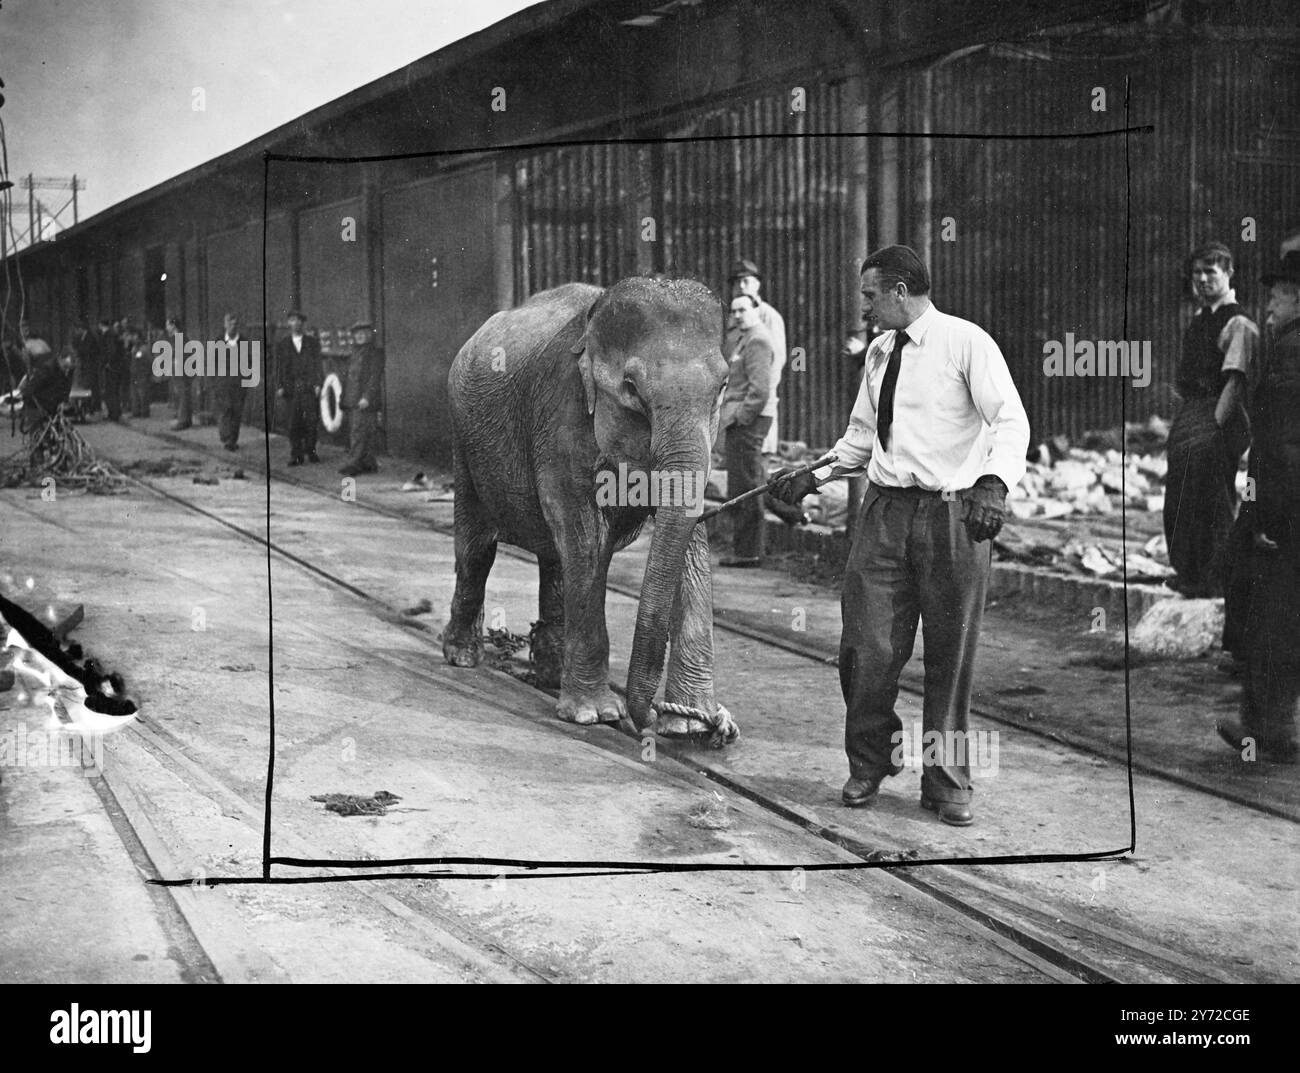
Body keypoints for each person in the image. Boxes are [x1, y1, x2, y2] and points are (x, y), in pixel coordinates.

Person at [772, 245, 1029, 827]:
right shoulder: (880, 353)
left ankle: (947, 780)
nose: (863, 308)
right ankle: (871, 761)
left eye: (870, 296)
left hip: (954, 516)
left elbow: (1010, 420)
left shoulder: (967, 343)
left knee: (950, 654)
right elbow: (862, 436)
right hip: (885, 514)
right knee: (865, 645)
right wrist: (812, 474)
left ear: (900, 291)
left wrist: (993, 483)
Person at [1217, 251, 1300, 763]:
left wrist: (1267, 515)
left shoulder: (1292, 351)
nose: (1267, 305)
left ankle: (1266, 732)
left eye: (1276, 294)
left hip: (1287, 508)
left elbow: (1283, 444)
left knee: (1271, 618)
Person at [1164, 242, 1258, 598]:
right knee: (1181, 496)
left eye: (1210, 272)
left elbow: (1236, 379)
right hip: (1192, 415)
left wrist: (1215, 426)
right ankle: (1189, 573)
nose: (1202, 279)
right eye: (1197, 274)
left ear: (1229, 273)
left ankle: (1217, 579)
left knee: (1213, 500)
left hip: (1219, 415)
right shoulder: (1200, 320)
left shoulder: (1239, 322)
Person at [718, 293, 774, 567]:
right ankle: (745, 549)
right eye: (734, 310)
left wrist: (741, 417)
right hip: (740, 419)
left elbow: (760, 389)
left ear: (756, 310)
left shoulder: (758, 340)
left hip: (750, 420)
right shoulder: (743, 338)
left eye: (743, 310)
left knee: (747, 485)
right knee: (742, 483)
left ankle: (749, 552)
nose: (738, 315)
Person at [728, 259, 787, 455]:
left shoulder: (769, 317)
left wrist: (750, 410)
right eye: (737, 282)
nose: (741, 286)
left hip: (756, 410)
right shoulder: (734, 317)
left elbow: (775, 365)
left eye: (747, 281)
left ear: (758, 284)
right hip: (735, 410)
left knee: (756, 466)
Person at [274, 310, 323, 465]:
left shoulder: (312, 343)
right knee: (293, 423)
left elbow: (317, 365)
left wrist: (317, 384)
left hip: (308, 387)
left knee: (311, 421)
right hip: (291, 388)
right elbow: (278, 367)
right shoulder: (283, 344)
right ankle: (296, 454)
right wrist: (279, 385)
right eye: (293, 320)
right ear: (289, 323)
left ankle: (311, 450)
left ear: (303, 324)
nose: (297, 323)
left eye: (300, 321)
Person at [338, 321, 384, 476]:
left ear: (370, 335)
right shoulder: (354, 353)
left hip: (363, 400)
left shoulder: (375, 353)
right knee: (361, 430)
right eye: (357, 334)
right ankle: (368, 463)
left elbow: (374, 378)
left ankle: (354, 464)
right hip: (351, 398)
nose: (360, 336)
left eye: (364, 333)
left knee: (360, 432)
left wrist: (367, 397)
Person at [19, 346, 75, 432]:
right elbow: (32, 387)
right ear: (60, 359)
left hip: (52, 405)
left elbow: (66, 388)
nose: (66, 370)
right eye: (65, 366)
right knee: (39, 432)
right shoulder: (47, 369)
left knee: (56, 432)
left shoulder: (69, 371)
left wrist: (64, 400)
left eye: (69, 368)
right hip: (38, 405)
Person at [214, 312, 245, 451]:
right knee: (225, 409)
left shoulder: (243, 341)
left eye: (235, 324)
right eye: (229, 323)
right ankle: (226, 437)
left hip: (238, 383)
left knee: (236, 412)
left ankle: (232, 439)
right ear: (225, 325)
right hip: (223, 382)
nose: (232, 326)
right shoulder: (218, 341)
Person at [99, 317, 126, 422]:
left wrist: (108, 363)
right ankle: (115, 412)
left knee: (110, 390)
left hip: (112, 367)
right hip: (116, 366)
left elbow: (111, 350)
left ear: (101, 325)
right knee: (113, 390)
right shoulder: (113, 334)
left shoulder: (108, 335)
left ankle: (113, 413)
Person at [127, 324, 153, 418]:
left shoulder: (144, 349)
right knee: (134, 394)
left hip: (142, 374)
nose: (131, 338)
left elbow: (149, 361)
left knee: (143, 394)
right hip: (134, 373)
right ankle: (136, 412)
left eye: (133, 336)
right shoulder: (134, 348)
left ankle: (144, 412)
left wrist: (147, 373)